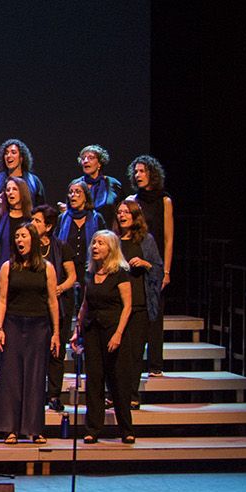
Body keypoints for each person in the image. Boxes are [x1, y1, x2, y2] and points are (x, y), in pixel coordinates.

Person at [0, 221, 60, 444]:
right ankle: (10, 428)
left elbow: (52, 300)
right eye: (17, 236)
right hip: (13, 324)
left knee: (36, 376)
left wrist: (56, 332)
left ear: (34, 240)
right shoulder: (8, 266)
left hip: (39, 326)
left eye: (24, 236)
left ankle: (34, 428)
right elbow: (1, 300)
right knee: (11, 376)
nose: (19, 240)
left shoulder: (46, 267)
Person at [74, 230, 136, 444]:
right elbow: (85, 304)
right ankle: (93, 429)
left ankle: (126, 429)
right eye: (94, 243)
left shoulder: (120, 273)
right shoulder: (90, 274)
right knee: (94, 381)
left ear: (111, 248)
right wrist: (77, 331)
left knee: (118, 381)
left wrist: (118, 334)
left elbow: (128, 306)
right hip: (92, 331)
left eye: (100, 243)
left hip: (113, 331)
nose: (95, 247)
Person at [128, 155, 175, 375]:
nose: (138, 175)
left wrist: (166, 270)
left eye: (142, 171)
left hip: (155, 263)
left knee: (156, 313)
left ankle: (156, 365)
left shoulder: (164, 201)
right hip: (136, 260)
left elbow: (168, 238)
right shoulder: (133, 200)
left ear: (152, 174)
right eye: (136, 172)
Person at [115, 198, 164, 406]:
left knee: (135, 353)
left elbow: (158, 270)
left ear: (135, 217)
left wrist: (145, 264)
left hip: (139, 303)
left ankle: (132, 395)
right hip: (116, 305)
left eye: (127, 212)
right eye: (120, 212)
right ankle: (114, 394)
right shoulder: (113, 240)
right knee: (116, 352)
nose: (122, 215)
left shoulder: (146, 240)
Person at [34, 205, 78, 412]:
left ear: (49, 226)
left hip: (58, 306)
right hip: (35, 306)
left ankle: (54, 394)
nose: (32, 224)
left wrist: (58, 288)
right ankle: (36, 393)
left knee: (56, 352)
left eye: (37, 221)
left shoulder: (61, 247)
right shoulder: (28, 246)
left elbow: (72, 276)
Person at [0, 139, 45, 232]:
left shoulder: (34, 181)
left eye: (13, 152)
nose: (9, 156)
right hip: (2, 230)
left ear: (21, 157)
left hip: (28, 231)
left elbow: (41, 209)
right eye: (6, 153)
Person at [0, 174, 35, 269]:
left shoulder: (30, 219)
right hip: (2, 270)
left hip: (27, 270)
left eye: (14, 189)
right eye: (8, 189)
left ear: (22, 192)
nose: (10, 192)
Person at [75, 145, 121, 227]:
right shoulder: (76, 184)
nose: (85, 161)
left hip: (107, 232)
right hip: (82, 232)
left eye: (91, 158)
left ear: (99, 163)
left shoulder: (113, 184)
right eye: (83, 158)